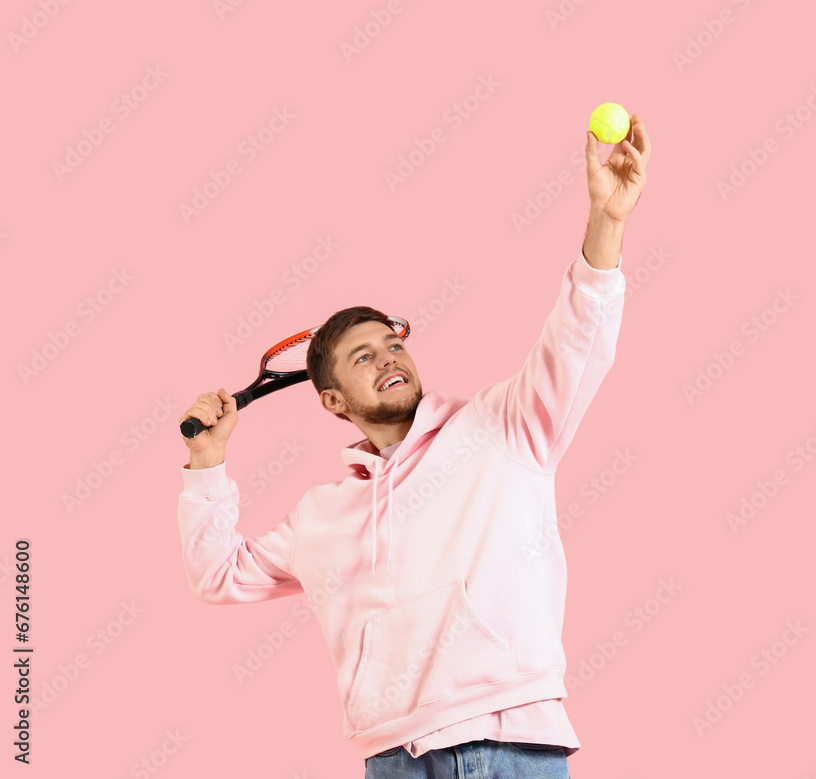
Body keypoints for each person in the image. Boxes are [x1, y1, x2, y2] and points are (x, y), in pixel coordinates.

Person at [177, 115, 651, 778]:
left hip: (509, 741)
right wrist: (208, 462)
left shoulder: (503, 426)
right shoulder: (319, 515)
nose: (389, 358)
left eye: (394, 344)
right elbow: (218, 574)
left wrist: (607, 220)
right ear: (334, 402)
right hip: (392, 759)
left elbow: (578, 339)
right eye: (363, 356)